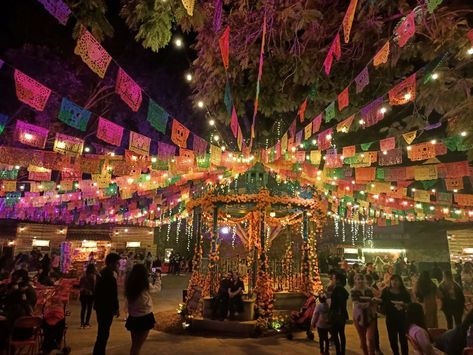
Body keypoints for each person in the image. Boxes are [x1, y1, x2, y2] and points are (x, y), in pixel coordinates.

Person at [93, 253, 120, 355]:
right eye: (117, 263)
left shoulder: (103, 273)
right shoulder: (109, 276)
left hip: (100, 307)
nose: (118, 265)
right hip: (106, 308)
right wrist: (116, 308)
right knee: (103, 333)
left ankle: (98, 352)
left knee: (102, 332)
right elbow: (113, 294)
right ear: (112, 263)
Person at [125, 264, 156, 355]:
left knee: (134, 344)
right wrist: (158, 279)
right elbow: (156, 289)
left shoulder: (130, 284)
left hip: (133, 316)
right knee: (138, 345)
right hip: (145, 316)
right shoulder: (144, 284)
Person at [381, 274, 411, 355]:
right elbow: (381, 302)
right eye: (393, 280)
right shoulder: (386, 291)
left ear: (400, 282)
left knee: (403, 339)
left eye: (397, 280)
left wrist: (403, 304)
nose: (394, 282)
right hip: (390, 318)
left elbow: (409, 304)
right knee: (392, 339)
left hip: (402, 318)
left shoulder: (404, 292)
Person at [351, 274, 377, 355]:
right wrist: (368, 303)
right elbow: (356, 304)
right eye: (358, 279)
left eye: (361, 279)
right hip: (358, 317)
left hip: (370, 316)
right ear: (355, 281)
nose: (360, 281)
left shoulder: (369, 290)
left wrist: (372, 302)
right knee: (362, 339)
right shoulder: (353, 291)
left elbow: (374, 301)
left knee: (371, 338)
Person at [329, 272, 349, 355]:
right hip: (341, 314)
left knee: (336, 334)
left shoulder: (337, 289)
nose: (332, 280)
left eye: (334, 278)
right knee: (341, 334)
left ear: (338, 280)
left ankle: (339, 352)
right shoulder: (342, 289)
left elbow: (337, 303)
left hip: (337, 314)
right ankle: (342, 351)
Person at [80, 263, 96, 329]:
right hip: (90, 295)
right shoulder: (93, 277)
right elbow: (94, 287)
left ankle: (82, 323)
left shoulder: (83, 276)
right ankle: (87, 323)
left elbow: (80, 285)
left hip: (83, 294)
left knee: (83, 309)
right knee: (89, 309)